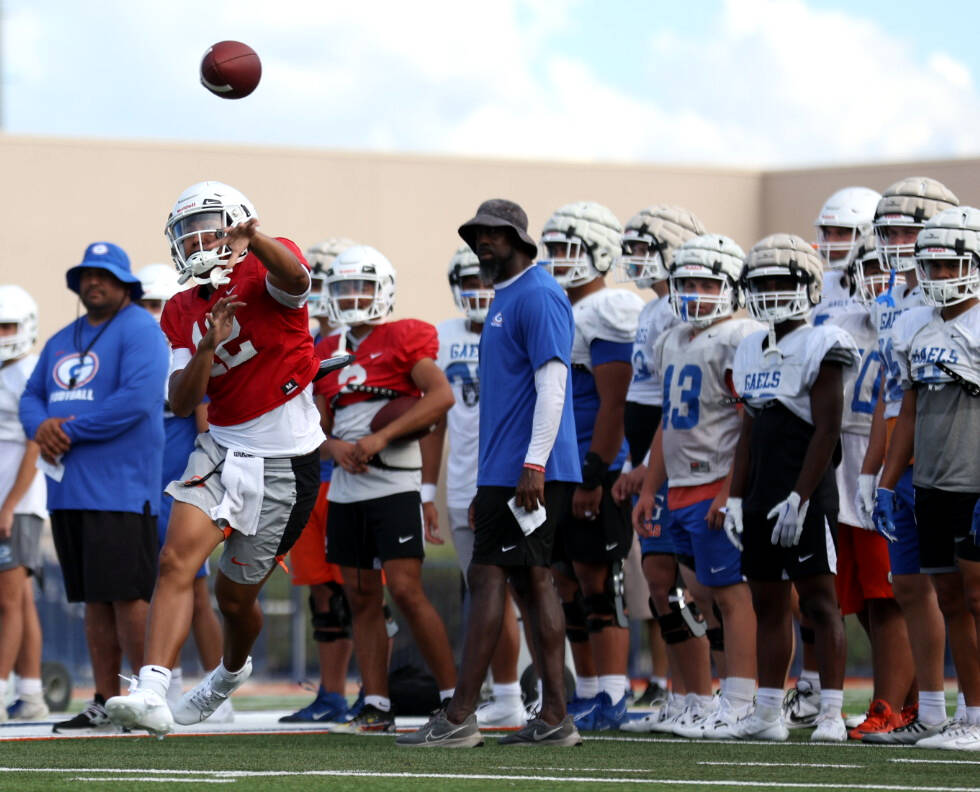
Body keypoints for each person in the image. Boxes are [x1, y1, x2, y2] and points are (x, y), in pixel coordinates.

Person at [104, 180, 332, 737]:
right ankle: (153, 686)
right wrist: (208, 346)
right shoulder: (182, 309)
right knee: (174, 562)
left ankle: (229, 673)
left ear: (238, 222)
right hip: (222, 445)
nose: (193, 240)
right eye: (185, 231)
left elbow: (298, 280)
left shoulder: (268, 266)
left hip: (284, 458)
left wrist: (256, 239)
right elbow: (181, 400)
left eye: (203, 225)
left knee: (234, 600)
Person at [398, 198, 582, 747]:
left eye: (495, 235)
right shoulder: (509, 298)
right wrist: (495, 480)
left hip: (529, 468)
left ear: (521, 241)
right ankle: (553, 717)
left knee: (488, 581)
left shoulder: (539, 294)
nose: (483, 243)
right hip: (509, 470)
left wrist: (532, 464)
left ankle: (459, 715)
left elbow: (554, 384)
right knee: (531, 582)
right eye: (477, 235)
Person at [19, 243, 168, 732]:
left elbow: (138, 399)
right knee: (92, 600)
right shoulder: (64, 337)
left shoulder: (142, 330)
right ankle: (105, 700)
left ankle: (146, 699)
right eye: (85, 275)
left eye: (103, 275)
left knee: (128, 598)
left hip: (121, 490)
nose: (92, 283)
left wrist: (67, 430)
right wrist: (43, 426)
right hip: (68, 493)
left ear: (125, 284)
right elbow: (31, 396)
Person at [315, 244, 457, 734]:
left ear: (384, 291)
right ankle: (376, 703)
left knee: (405, 590)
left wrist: (380, 438)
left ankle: (453, 699)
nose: (353, 297)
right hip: (345, 487)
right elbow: (312, 423)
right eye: (344, 288)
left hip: (394, 483)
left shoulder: (403, 336)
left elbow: (441, 396)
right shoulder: (325, 348)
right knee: (358, 596)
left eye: (363, 286)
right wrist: (333, 446)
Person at [724, 234, 858, 742]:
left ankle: (829, 712)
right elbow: (749, 430)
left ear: (807, 286)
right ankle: (767, 713)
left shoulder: (824, 341)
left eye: (782, 282)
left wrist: (801, 498)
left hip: (807, 491)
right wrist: (736, 497)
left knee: (822, 602)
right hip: (762, 491)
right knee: (767, 604)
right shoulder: (748, 346)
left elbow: (827, 430)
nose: (772, 292)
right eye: (763, 284)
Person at [853, 178, 972, 744]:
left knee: (963, 592)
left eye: (910, 229)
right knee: (915, 587)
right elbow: (894, 397)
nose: (898, 242)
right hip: (916, 467)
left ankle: (967, 712)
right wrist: (875, 474)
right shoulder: (898, 309)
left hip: (961, 467)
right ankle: (928, 710)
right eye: (890, 231)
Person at [633, 234, 763, 739]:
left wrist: (730, 489)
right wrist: (650, 487)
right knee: (697, 595)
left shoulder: (741, 337)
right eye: (685, 282)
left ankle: (741, 700)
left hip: (715, 480)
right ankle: (702, 696)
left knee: (730, 594)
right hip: (680, 483)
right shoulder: (673, 338)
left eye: (706, 283)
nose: (693, 292)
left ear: (731, 285)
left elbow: (748, 419)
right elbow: (669, 420)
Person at [535, 201, 643, 732]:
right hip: (557, 468)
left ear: (600, 251)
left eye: (566, 249)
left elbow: (614, 402)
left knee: (600, 584)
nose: (556, 259)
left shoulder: (611, 308)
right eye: (551, 249)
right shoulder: (559, 307)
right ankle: (589, 688)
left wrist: (598, 474)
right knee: (566, 584)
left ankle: (615, 693)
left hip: (588, 469)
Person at [610, 205, 709, 730]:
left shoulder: (684, 308)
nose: (635, 260)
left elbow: (674, 403)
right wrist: (635, 460)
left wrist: (647, 464)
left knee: (680, 581)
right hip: (651, 458)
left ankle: (705, 697)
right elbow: (644, 394)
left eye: (645, 248)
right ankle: (681, 696)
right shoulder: (651, 311)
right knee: (657, 579)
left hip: (679, 461)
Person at [420, 244, 527, 728]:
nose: (477, 290)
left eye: (485, 279)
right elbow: (437, 421)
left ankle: (519, 694)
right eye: (469, 281)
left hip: (510, 479)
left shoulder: (517, 323)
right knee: (484, 591)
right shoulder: (440, 338)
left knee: (523, 591)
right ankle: (505, 694)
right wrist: (428, 493)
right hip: (465, 483)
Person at [822, 235, 916, 740]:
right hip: (847, 468)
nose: (882, 282)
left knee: (892, 596)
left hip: (882, 466)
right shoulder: (841, 324)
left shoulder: (916, 321)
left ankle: (893, 703)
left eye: (890, 271)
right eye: (872, 271)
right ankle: (905, 695)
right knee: (865, 600)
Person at [135, 263, 230, 721]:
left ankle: (213, 684)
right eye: (145, 304)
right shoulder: (138, 355)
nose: (153, 315)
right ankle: (171, 681)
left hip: (184, 481)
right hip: (145, 480)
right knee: (174, 583)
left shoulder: (187, 352)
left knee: (190, 583)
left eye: (159, 304)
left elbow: (203, 421)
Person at [279, 237, 361, 725]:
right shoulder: (299, 336)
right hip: (311, 476)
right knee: (322, 595)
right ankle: (331, 693)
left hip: (356, 477)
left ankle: (377, 689)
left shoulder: (367, 340)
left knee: (363, 590)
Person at [0, 285, 49, 722]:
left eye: (7, 326)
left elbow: (35, 443)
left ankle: (0, 689)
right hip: (7, 503)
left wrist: (10, 504)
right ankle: (31, 694)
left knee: (8, 600)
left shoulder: (29, 372)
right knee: (21, 601)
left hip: (19, 504)